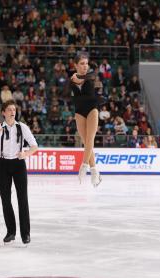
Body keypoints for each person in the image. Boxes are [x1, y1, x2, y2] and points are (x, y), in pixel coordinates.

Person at [0, 100, 38, 245]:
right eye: (9, 109)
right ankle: (11, 232)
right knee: (5, 200)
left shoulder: (22, 127)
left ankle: (25, 234)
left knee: (23, 199)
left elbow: (35, 146)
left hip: (18, 165)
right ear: (3, 112)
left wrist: (26, 154)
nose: (12, 112)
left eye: (14, 109)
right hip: (3, 165)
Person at [69, 52, 101, 187]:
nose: (85, 66)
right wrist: (74, 79)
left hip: (92, 109)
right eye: (82, 64)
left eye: (86, 63)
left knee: (90, 139)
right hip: (79, 111)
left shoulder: (91, 75)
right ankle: (95, 172)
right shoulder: (71, 79)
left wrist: (76, 78)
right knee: (85, 142)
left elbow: (84, 78)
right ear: (75, 65)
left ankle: (84, 166)